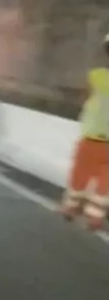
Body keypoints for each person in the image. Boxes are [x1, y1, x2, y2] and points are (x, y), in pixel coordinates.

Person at [60, 36, 109, 231]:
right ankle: (94, 216)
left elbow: (81, 95)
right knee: (105, 181)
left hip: (90, 137)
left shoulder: (95, 76)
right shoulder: (95, 76)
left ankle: (72, 207)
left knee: (80, 174)